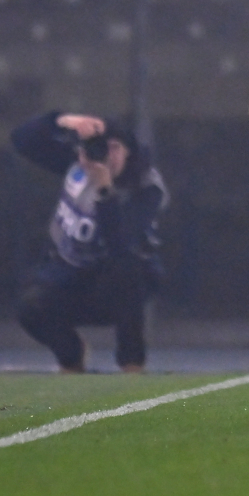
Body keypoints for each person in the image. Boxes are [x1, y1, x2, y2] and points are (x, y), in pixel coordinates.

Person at [11, 111, 168, 373]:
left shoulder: (146, 187)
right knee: (30, 307)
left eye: (116, 148)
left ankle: (132, 363)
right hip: (71, 272)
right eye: (103, 148)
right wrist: (64, 120)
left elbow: (119, 244)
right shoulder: (79, 164)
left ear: (129, 151)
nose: (108, 156)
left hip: (119, 285)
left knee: (127, 269)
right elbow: (22, 140)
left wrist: (104, 191)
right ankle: (71, 356)